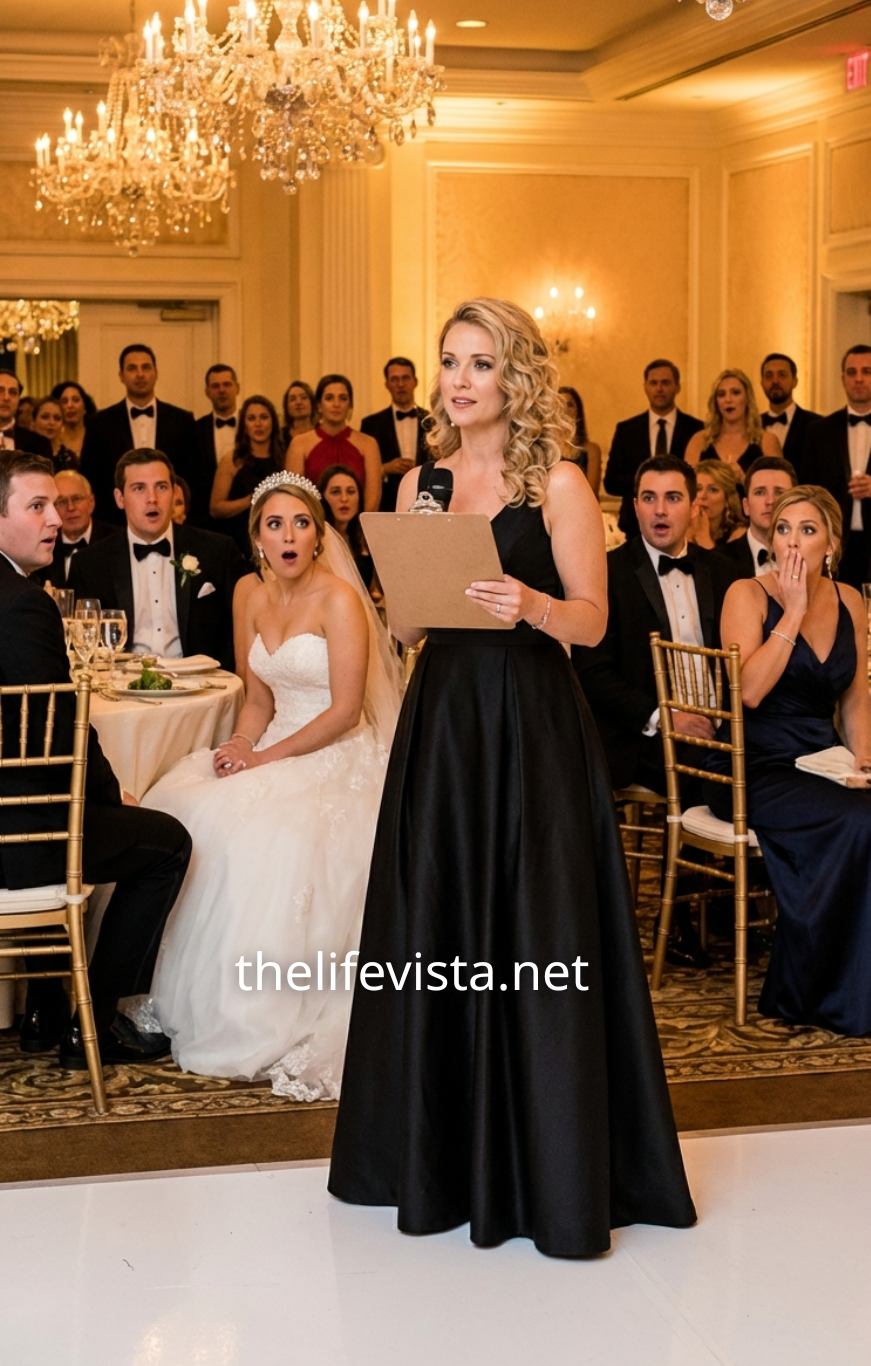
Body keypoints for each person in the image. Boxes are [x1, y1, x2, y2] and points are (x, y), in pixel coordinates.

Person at [329, 298, 695, 1260]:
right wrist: (406, 581)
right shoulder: (422, 482)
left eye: (481, 363)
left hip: (530, 718)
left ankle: (550, 1167)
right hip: (445, 721)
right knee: (438, 918)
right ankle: (435, 1158)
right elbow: (406, 629)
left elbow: (593, 623)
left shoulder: (560, 482)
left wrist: (530, 602)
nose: (459, 380)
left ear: (517, 376)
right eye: (450, 361)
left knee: (539, 925)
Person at [142, 473, 402, 1096]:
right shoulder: (249, 596)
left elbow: (345, 712)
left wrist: (267, 759)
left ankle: (261, 1013)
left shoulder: (340, 599)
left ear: (319, 535)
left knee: (272, 838)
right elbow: (257, 699)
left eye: (302, 523)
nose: (289, 537)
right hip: (272, 741)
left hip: (333, 750)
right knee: (180, 808)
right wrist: (239, 745)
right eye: (275, 525)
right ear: (257, 537)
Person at [0, 450, 192, 1067]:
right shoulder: (21, 603)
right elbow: (60, 728)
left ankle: (44, 1009)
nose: (56, 519)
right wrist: (111, 796)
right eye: (37, 506)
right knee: (168, 844)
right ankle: (95, 1022)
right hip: (18, 837)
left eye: (55, 505)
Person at [704, 486, 871, 1037]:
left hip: (823, 758)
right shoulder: (746, 594)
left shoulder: (849, 600)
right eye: (784, 528)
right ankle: (833, 993)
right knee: (864, 822)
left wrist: (864, 755)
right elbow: (748, 692)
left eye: (808, 530)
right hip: (754, 764)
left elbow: (855, 695)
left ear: (831, 545)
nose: (792, 541)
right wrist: (791, 613)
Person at [572, 456, 735, 967]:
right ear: (634, 507)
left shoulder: (724, 572)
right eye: (649, 498)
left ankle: (736, 896)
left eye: (673, 498)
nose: (660, 510)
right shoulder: (607, 573)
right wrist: (665, 718)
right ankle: (682, 913)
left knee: (768, 764)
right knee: (702, 770)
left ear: (694, 505)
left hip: (719, 727)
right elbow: (593, 674)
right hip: (637, 734)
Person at [69, 448, 252, 669]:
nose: (152, 499)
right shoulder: (89, 564)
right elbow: (82, 646)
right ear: (120, 498)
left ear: (174, 493)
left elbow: (245, 629)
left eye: (161, 487)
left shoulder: (217, 551)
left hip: (201, 682)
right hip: (121, 684)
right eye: (139, 488)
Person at [802, 345, 871, 590]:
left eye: (866, 371)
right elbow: (807, 488)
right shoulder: (819, 431)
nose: (858, 378)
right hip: (834, 544)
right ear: (842, 378)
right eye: (851, 372)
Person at [79, 344, 197, 525]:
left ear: (155, 372)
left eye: (146, 367)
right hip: (115, 524)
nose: (140, 374)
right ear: (121, 375)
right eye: (132, 368)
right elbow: (92, 478)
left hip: (172, 522)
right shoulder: (99, 423)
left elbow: (194, 477)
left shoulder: (183, 420)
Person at [604, 359, 703, 539]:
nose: (659, 389)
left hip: (682, 527)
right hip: (633, 527)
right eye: (653, 383)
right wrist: (646, 482)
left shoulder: (696, 429)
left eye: (665, 383)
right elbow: (611, 483)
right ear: (645, 387)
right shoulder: (627, 429)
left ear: (678, 386)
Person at [287, 375, 382, 513]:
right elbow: (294, 497)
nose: (336, 404)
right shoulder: (299, 444)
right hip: (312, 522)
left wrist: (359, 525)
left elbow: (372, 500)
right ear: (319, 406)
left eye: (343, 398)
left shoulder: (368, 444)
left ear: (350, 405)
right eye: (329, 398)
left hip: (358, 524)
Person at [209, 395, 284, 558]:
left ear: (273, 422)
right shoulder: (232, 460)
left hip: (277, 541)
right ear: (244, 425)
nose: (258, 424)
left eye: (264, 417)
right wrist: (251, 500)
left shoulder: (284, 459)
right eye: (251, 418)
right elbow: (215, 508)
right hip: (239, 542)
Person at [360, 357, 429, 512]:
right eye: (394, 379)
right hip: (387, 505)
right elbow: (362, 471)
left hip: (428, 505)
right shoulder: (371, 424)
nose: (400, 384)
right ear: (387, 384)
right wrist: (385, 468)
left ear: (415, 381)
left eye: (405, 378)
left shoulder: (433, 422)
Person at [685, 367, 782, 477]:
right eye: (721, 394)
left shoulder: (766, 441)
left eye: (735, 393)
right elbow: (687, 484)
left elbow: (780, 484)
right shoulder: (699, 441)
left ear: (747, 398)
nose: (728, 400)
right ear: (716, 402)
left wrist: (744, 480)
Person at [33, 470, 115, 589]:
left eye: (76, 499)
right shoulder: (40, 545)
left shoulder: (114, 540)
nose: (70, 508)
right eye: (61, 502)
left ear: (91, 503)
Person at [721, 455, 797, 579]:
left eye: (779, 492)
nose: (770, 501)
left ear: (795, 503)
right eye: (760, 492)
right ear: (746, 506)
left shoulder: (812, 558)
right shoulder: (719, 561)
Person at [194, 363, 241, 525]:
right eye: (215, 386)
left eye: (227, 384)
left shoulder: (253, 426)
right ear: (207, 391)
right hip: (207, 520)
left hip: (248, 516)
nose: (221, 390)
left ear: (237, 388)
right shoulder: (195, 429)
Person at [759, 353, 820, 471]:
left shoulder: (816, 424)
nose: (775, 381)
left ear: (795, 381)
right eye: (769, 376)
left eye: (782, 375)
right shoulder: (751, 426)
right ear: (762, 383)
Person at [320, 464, 375, 593]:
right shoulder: (317, 541)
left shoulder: (366, 538)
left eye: (350, 492)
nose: (344, 499)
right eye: (335, 492)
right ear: (322, 498)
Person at [689, 459, 747, 550]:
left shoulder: (739, 535)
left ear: (727, 500)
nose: (702, 496)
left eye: (713, 490)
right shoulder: (680, 527)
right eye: (698, 489)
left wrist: (703, 538)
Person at [559, 385, 602, 496]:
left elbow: (592, 491)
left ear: (578, 410)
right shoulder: (546, 449)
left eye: (569, 405)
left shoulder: (591, 450)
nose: (564, 409)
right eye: (559, 404)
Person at [0, 369, 53, 458]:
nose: (6, 397)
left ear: (18, 399)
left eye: (13, 392)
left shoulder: (39, 444)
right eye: (0, 390)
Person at [51, 379, 97, 466]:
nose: (70, 405)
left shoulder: (96, 437)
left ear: (85, 408)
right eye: (64, 401)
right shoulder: (52, 438)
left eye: (76, 400)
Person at [31, 397, 79, 473]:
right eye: (45, 417)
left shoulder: (69, 459)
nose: (52, 422)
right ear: (33, 422)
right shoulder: (23, 453)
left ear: (63, 424)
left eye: (57, 418)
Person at [282, 379, 316, 444]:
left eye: (303, 397)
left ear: (312, 403)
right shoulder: (280, 437)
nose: (298, 402)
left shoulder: (323, 431)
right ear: (286, 406)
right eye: (292, 399)